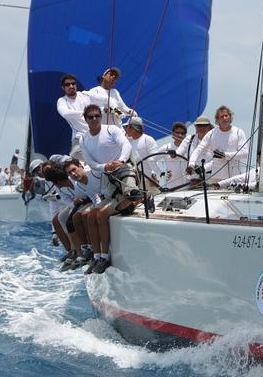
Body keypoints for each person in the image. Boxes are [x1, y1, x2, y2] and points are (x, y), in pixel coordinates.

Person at [80, 104, 143, 274]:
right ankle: (97, 255)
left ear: (100, 117)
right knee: (90, 215)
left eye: (97, 116)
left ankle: (106, 258)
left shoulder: (112, 130)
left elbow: (126, 146)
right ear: (85, 119)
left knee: (101, 214)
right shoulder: (84, 139)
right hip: (108, 177)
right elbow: (91, 163)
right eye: (90, 116)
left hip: (124, 169)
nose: (94, 119)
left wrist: (120, 161)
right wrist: (104, 167)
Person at [57, 74, 91, 160]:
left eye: (73, 83)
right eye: (67, 84)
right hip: (79, 137)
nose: (71, 86)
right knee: (75, 156)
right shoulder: (62, 101)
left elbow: (105, 99)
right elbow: (65, 113)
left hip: (96, 133)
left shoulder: (85, 95)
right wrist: (85, 113)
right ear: (63, 88)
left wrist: (127, 111)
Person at [123, 116, 160, 189]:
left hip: (150, 180)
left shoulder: (148, 139)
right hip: (136, 182)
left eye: (127, 126)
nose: (125, 129)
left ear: (133, 128)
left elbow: (154, 158)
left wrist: (154, 175)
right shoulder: (127, 142)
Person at [176, 116, 214, 183]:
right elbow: (178, 153)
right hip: (191, 180)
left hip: (210, 179)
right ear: (195, 127)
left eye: (204, 125)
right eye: (199, 125)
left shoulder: (215, 139)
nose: (201, 128)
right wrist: (173, 154)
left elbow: (217, 160)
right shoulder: (189, 139)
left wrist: (203, 168)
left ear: (209, 127)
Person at [158, 122, 188, 189]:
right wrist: (161, 174)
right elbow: (152, 159)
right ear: (173, 134)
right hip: (171, 187)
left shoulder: (190, 148)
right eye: (177, 132)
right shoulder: (166, 147)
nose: (180, 135)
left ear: (185, 135)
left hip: (188, 185)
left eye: (182, 133)